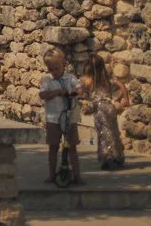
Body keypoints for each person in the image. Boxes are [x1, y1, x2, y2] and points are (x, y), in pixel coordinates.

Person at [40, 46, 83, 186]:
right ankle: (51, 175)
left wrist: (75, 93)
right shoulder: (47, 80)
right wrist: (57, 92)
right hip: (53, 118)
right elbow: (42, 94)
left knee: (72, 147)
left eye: (57, 68)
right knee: (53, 146)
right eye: (51, 69)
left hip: (69, 117)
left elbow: (79, 89)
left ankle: (77, 176)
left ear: (63, 64)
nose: (54, 72)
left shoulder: (70, 78)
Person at [82, 54, 129, 170]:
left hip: (99, 110)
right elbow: (121, 84)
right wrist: (125, 98)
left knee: (103, 135)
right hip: (110, 108)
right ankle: (118, 156)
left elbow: (83, 92)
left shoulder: (89, 80)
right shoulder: (107, 79)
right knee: (113, 132)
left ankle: (107, 158)